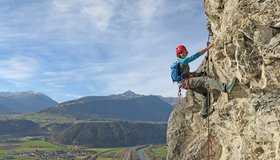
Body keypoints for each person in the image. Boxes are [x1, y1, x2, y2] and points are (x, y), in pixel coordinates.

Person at [175, 44, 236, 119]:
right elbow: (194, 56)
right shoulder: (182, 61)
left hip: (185, 83)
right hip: (186, 82)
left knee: (205, 93)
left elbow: (186, 74)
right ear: (180, 53)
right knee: (204, 80)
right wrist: (208, 48)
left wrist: (196, 73)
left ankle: (204, 113)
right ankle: (225, 87)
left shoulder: (181, 64)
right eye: (184, 52)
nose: (186, 53)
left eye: (186, 52)